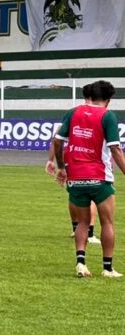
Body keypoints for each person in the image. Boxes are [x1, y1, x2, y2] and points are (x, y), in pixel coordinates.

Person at [52, 80, 125, 278]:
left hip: (75, 175)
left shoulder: (73, 112)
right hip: (99, 176)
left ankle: (81, 264)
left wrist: (62, 167)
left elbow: (57, 142)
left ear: (90, 96)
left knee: (83, 222)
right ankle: (108, 268)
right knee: (107, 222)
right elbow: (115, 149)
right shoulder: (107, 116)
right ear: (108, 100)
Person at [45, 83, 99, 245]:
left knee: (74, 194)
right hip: (91, 161)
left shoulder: (73, 112)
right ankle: (89, 233)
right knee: (93, 197)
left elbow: (57, 138)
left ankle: (76, 228)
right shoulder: (100, 114)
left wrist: (50, 160)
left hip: (71, 159)